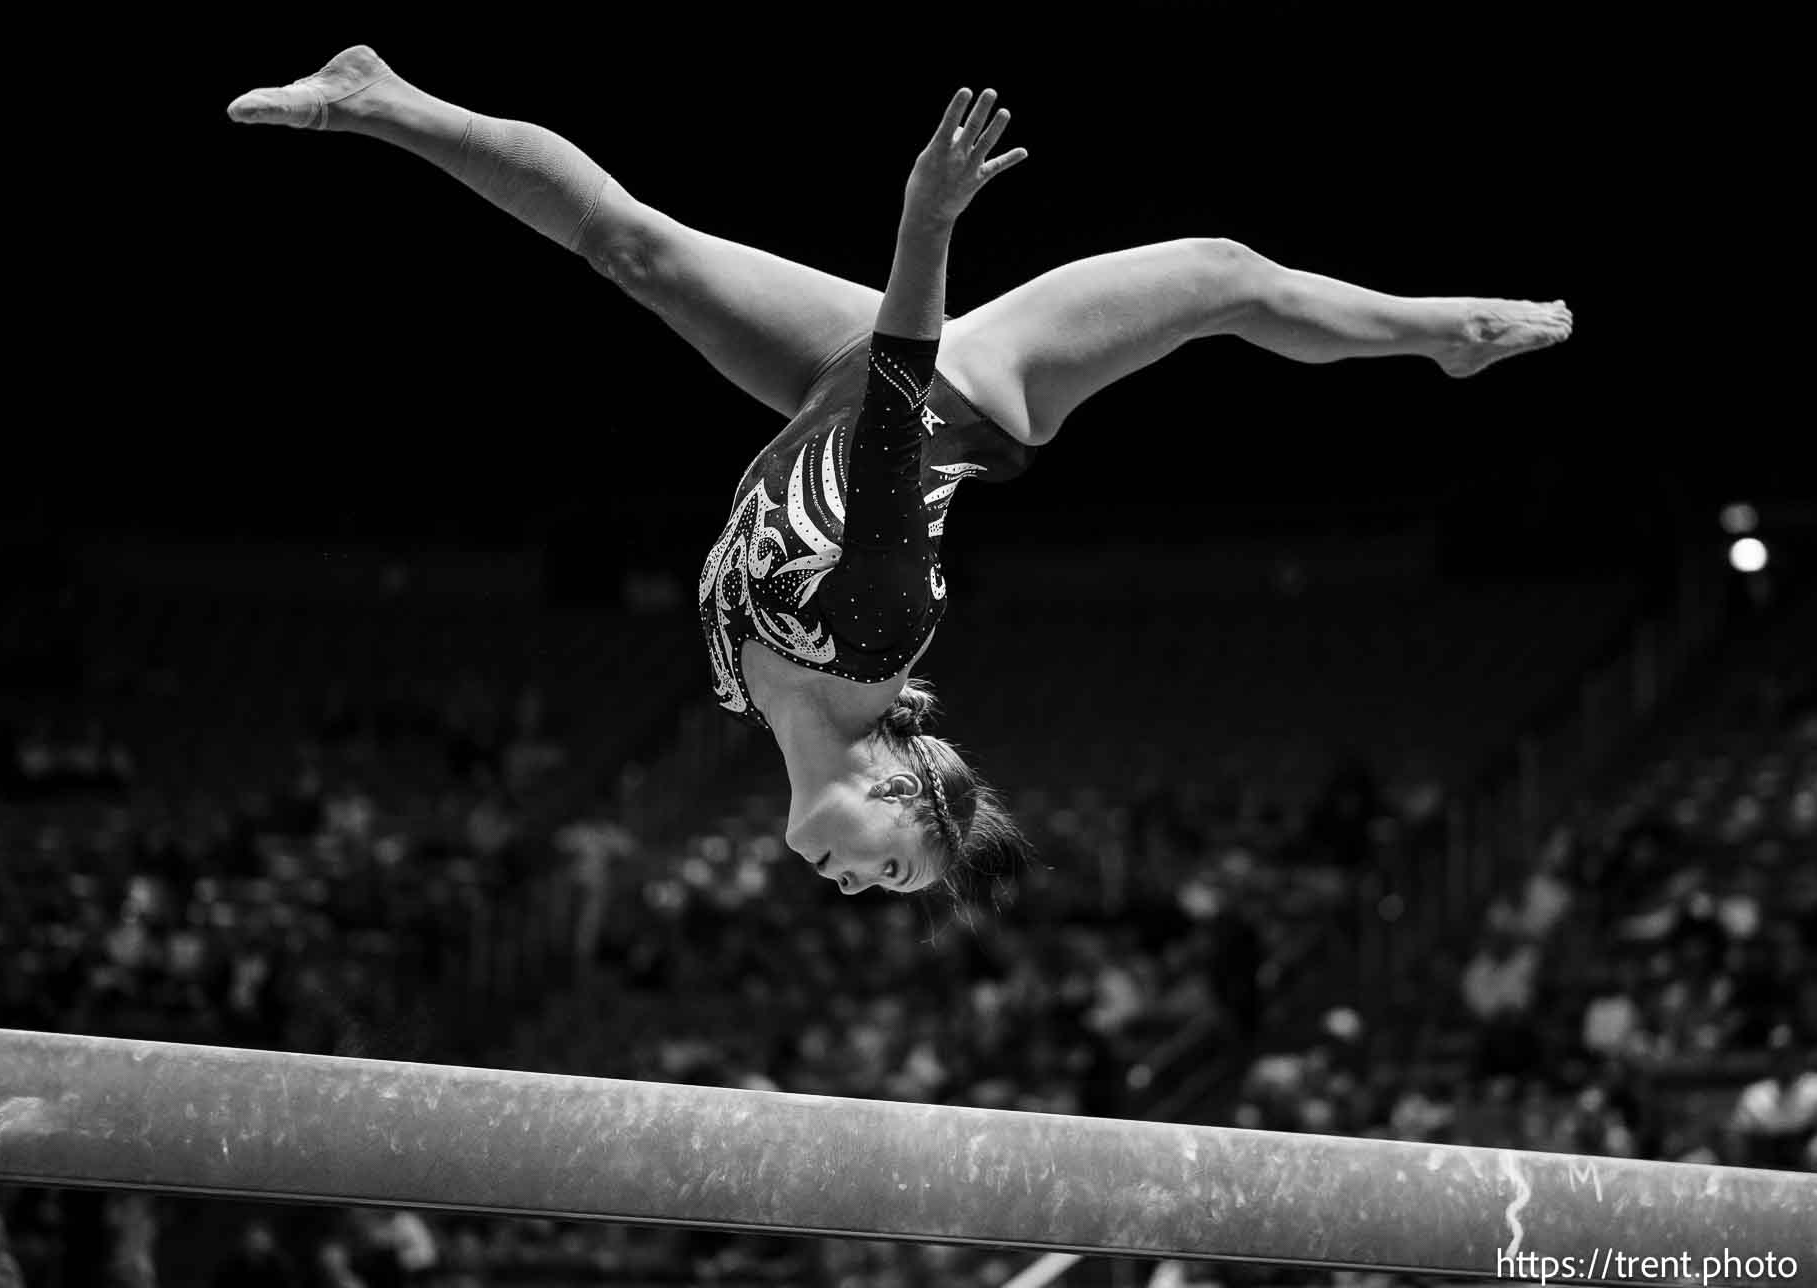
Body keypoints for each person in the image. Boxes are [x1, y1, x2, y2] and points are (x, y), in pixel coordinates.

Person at [229, 48, 1572, 906]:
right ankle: (1433, 334)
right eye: (889, 867)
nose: (858, 888)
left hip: (832, 393)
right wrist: (922, 227)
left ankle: (378, 98)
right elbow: (896, 394)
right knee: (1220, 273)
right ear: (896, 787)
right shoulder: (862, 632)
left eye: (878, 890)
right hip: (960, 390)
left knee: (627, 246)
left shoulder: (748, 698)